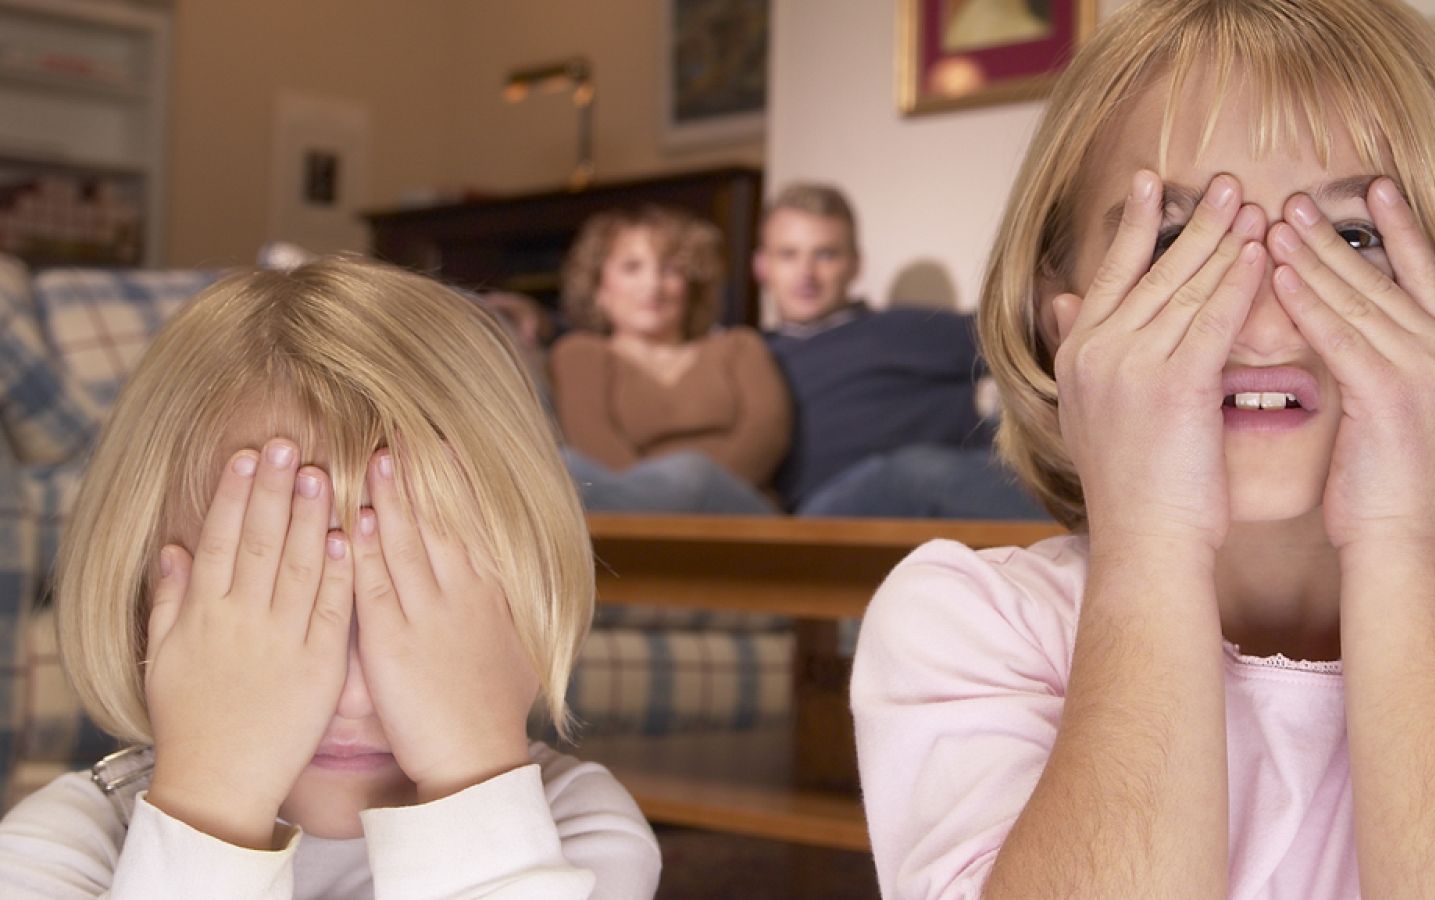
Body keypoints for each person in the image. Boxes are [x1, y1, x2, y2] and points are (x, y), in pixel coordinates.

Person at [851, 0, 1435, 897]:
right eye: (1180, 243)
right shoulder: (970, 624)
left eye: (1351, 240)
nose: (1263, 321)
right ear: (1061, 321)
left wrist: (1401, 538)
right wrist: (1149, 543)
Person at [0, 257, 660, 898]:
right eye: (275, 608)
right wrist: (212, 798)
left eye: (408, 609)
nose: (351, 698)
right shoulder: (63, 845)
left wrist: (472, 771)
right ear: (140, 602)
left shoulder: (576, 825)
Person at [757, 183, 1046, 519]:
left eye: (826, 255)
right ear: (762, 266)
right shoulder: (757, 356)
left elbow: (1024, 337)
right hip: (828, 505)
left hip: (979, 462)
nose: (806, 274)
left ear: (855, 264)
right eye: (788, 254)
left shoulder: (901, 327)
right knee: (914, 473)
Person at [552, 205, 789, 514]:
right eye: (632, 267)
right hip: (630, 517)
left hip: (738, 512)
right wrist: (658, 498)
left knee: (691, 470)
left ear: (692, 285)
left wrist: (702, 483)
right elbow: (595, 449)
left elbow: (767, 434)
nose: (652, 285)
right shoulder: (580, 354)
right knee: (569, 465)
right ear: (598, 287)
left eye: (670, 269)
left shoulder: (739, 347)